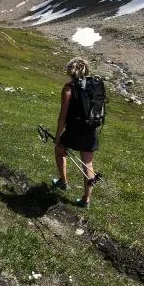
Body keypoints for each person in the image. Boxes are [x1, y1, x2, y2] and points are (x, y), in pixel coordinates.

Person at [52, 57, 98, 209]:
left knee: (60, 150)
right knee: (88, 164)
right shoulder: (94, 85)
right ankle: (85, 200)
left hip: (74, 130)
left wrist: (58, 136)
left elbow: (62, 117)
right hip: (90, 130)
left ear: (70, 71)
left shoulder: (69, 88)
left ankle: (63, 181)